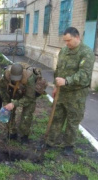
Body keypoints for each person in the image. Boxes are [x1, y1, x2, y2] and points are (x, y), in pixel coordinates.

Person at [45, 27, 95, 156]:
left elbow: (84, 75)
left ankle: (69, 145)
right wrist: (56, 86)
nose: (67, 43)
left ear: (77, 37)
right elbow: (58, 69)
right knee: (57, 117)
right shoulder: (64, 51)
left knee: (73, 121)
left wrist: (66, 81)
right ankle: (51, 142)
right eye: (65, 41)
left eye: (69, 40)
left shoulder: (86, 53)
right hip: (62, 92)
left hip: (76, 94)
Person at [0, 62, 47, 144]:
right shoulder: (6, 76)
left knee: (26, 116)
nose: (15, 80)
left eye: (17, 78)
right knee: (7, 111)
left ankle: (24, 136)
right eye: (13, 78)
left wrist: (14, 104)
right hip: (14, 92)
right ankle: (12, 133)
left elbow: (29, 98)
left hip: (28, 95)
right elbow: (3, 90)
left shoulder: (29, 78)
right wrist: (7, 102)